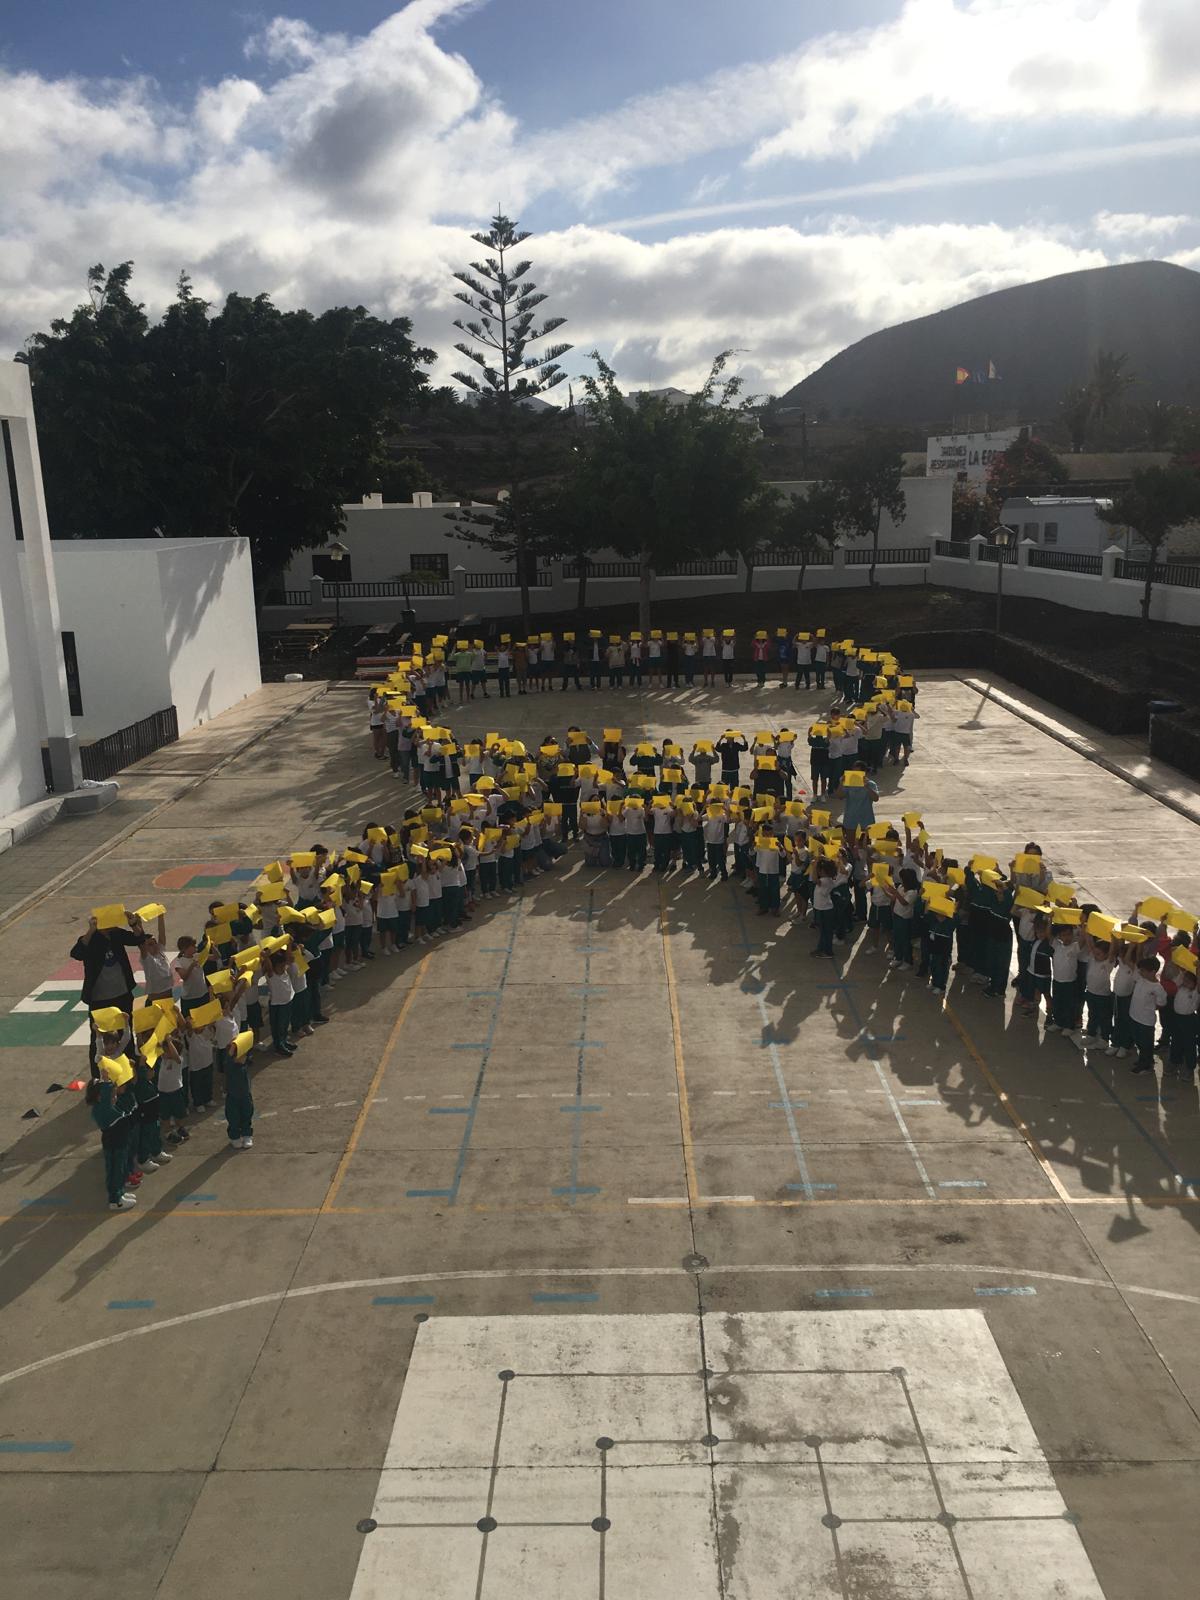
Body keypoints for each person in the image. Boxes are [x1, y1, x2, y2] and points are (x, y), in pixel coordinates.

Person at [72, 912, 148, 1076]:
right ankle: (98, 1077)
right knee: (98, 1038)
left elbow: (139, 939)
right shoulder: (91, 939)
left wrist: (134, 924)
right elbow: (77, 953)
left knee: (125, 1034)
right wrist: (91, 930)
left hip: (122, 994)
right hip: (99, 998)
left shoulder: (116, 934)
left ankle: (128, 1072)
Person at [88, 1054, 138, 1211]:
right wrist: (105, 1078)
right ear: (100, 1097)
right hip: (114, 1144)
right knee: (115, 1171)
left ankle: (120, 1193)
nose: (115, 1096)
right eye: (112, 1094)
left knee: (120, 1169)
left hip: (119, 1143)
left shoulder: (104, 1107)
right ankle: (115, 1200)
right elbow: (107, 1090)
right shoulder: (103, 1110)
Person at [1128, 955, 1167, 1075]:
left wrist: (1151, 1008)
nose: (1140, 972)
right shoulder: (1141, 978)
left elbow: (1161, 1003)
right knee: (1138, 1041)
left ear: (1153, 972)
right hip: (1134, 1015)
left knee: (1146, 1044)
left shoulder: (1157, 988)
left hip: (1146, 1020)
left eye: (1143, 970)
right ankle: (1144, 1060)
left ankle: (1145, 1065)